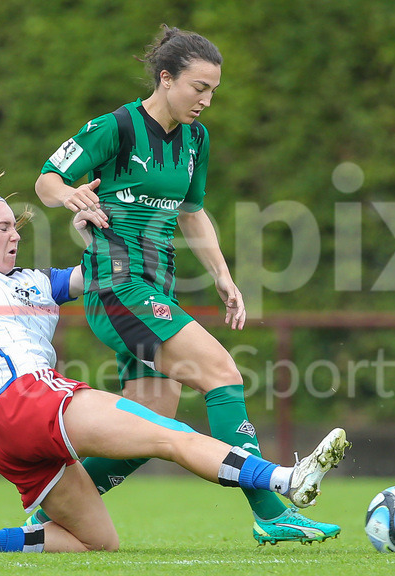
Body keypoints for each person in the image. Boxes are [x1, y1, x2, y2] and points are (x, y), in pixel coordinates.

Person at [0, 172, 351, 553]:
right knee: (169, 433)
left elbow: (98, 277)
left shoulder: (35, 282)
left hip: (5, 433)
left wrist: (96, 234)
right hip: (28, 398)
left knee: (96, 542)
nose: (15, 233)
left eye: (16, 225)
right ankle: (286, 480)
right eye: (3, 227)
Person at [34, 25, 340, 544]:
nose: (206, 100)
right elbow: (46, 179)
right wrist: (68, 195)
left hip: (155, 289)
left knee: (151, 428)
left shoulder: (197, 139)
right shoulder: (115, 127)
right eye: (199, 87)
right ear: (166, 78)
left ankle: (45, 516)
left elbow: (192, 213)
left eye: (213, 90)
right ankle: (272, 513)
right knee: (221, 373)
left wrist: (224, 276)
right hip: (117, 287)